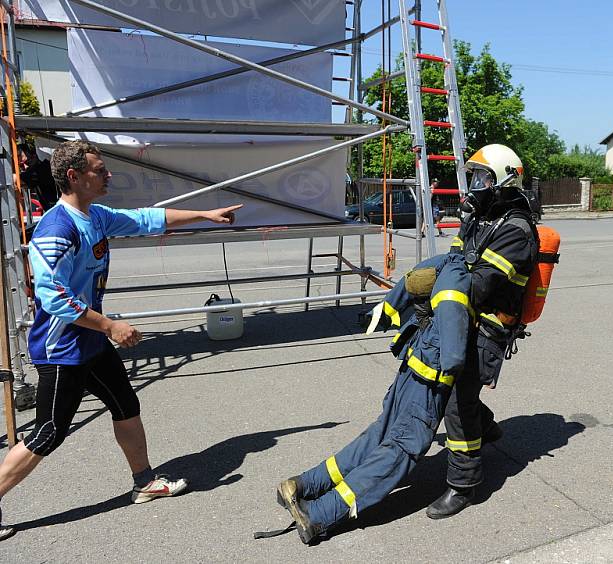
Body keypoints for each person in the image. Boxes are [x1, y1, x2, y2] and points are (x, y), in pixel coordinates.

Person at [0, 140, 242, 541]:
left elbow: (147, 218)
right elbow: (51, 296)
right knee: (48, 433)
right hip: (62, 349)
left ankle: (144, 482)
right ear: (74, 176)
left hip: (90, 342)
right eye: (100, 169)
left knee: (125, 405)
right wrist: (110, 325)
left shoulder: (94, 216)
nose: (108, 175)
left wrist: (204, 213)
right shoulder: (57, 229)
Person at [277, 251, 473, 544]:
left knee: (381, 435)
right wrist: (460, 366)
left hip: (415, 358)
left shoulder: (457, 255)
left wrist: (390, 310)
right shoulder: (464, 274)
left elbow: (414, 279)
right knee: (403, 448)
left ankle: (304, 484)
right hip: (430, 376)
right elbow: (455, 352)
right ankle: (319, 514)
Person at [431, 143, 537, 518]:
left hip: (487, 329)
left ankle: (464, 484)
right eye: (474, 175)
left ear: (505, 180)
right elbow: (455, 260)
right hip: (464, 317)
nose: (476, 183)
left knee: (458, 405)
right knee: (452, 393)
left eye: (483, 176)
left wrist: (439, 287)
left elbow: (479, 284)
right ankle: (487, 428)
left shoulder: (517, 229)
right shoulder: (483, 217)